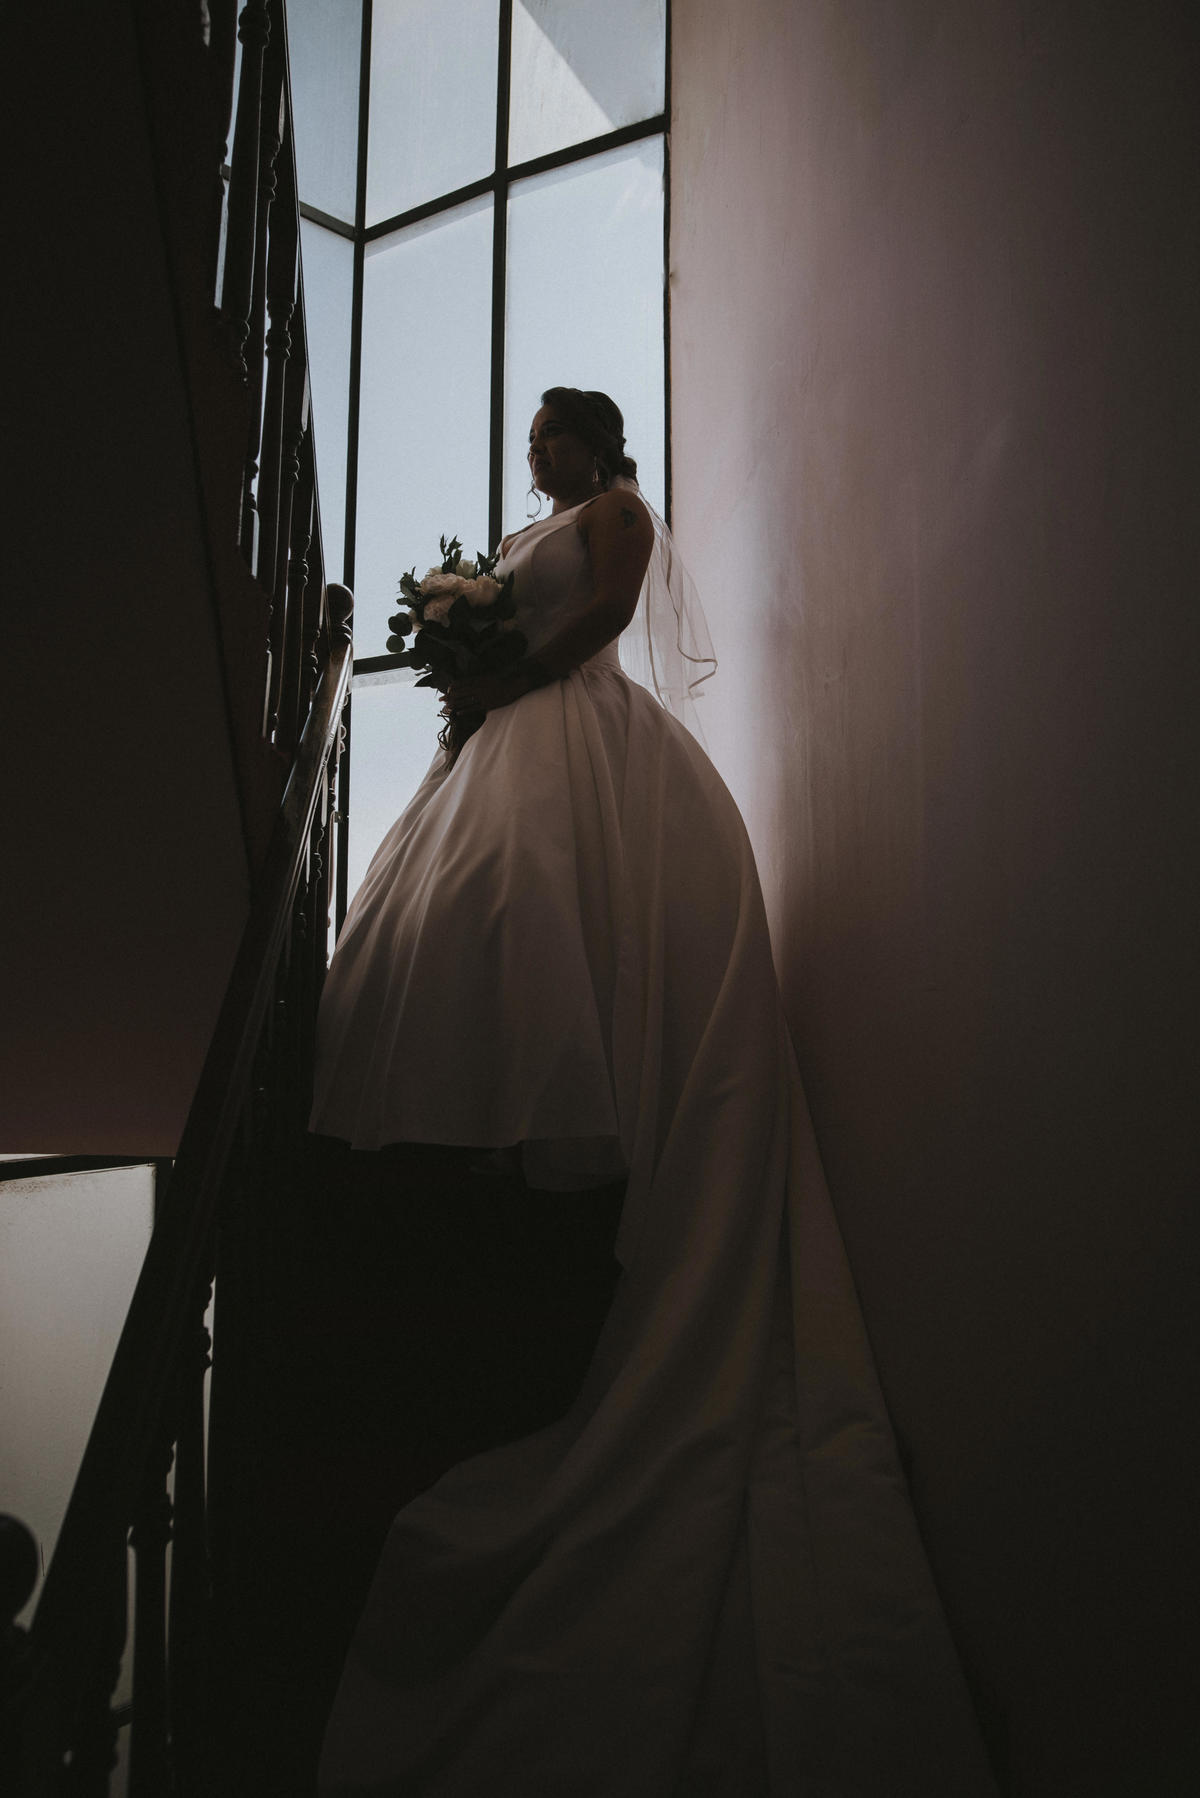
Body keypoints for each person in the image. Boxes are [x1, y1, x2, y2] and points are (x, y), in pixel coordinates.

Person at [310, 390, 997, 1795]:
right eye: (527, 441)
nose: (533, 455)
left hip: (572, 726)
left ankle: (557, 1130)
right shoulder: (522, 534)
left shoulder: (618, 514)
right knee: (480, 901)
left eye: (548, 435)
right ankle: (481, 1125)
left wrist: (503, 667)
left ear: (594, 440)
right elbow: (519, 621)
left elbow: (608, 614)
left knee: (542, 897)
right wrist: (467, 656)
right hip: (507, 734)